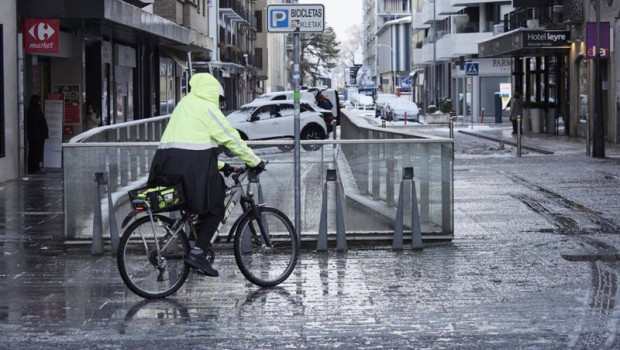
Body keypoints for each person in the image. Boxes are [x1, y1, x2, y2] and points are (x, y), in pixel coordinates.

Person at [147, 73, 264, 277]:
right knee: (216, 206)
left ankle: (197, 242)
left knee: (201, 202)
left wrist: (221, 165)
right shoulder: (208, 108)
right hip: (189, 168)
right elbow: (231, 139)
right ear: (214, 94)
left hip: (166, 164)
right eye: (219, 100)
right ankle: (198, 252)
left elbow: (191, 145)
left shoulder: (184, 104)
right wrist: (255, 161)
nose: (219, 104)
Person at [26, 95, 49, 174]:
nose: (39, 102)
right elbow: (34, 123)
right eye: (38, 101)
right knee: (35, 152)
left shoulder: (34, 110)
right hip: (36, 136)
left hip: (38, 135)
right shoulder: (33, 111)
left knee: (37, 152)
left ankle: (35, 167)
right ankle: (34, 168)